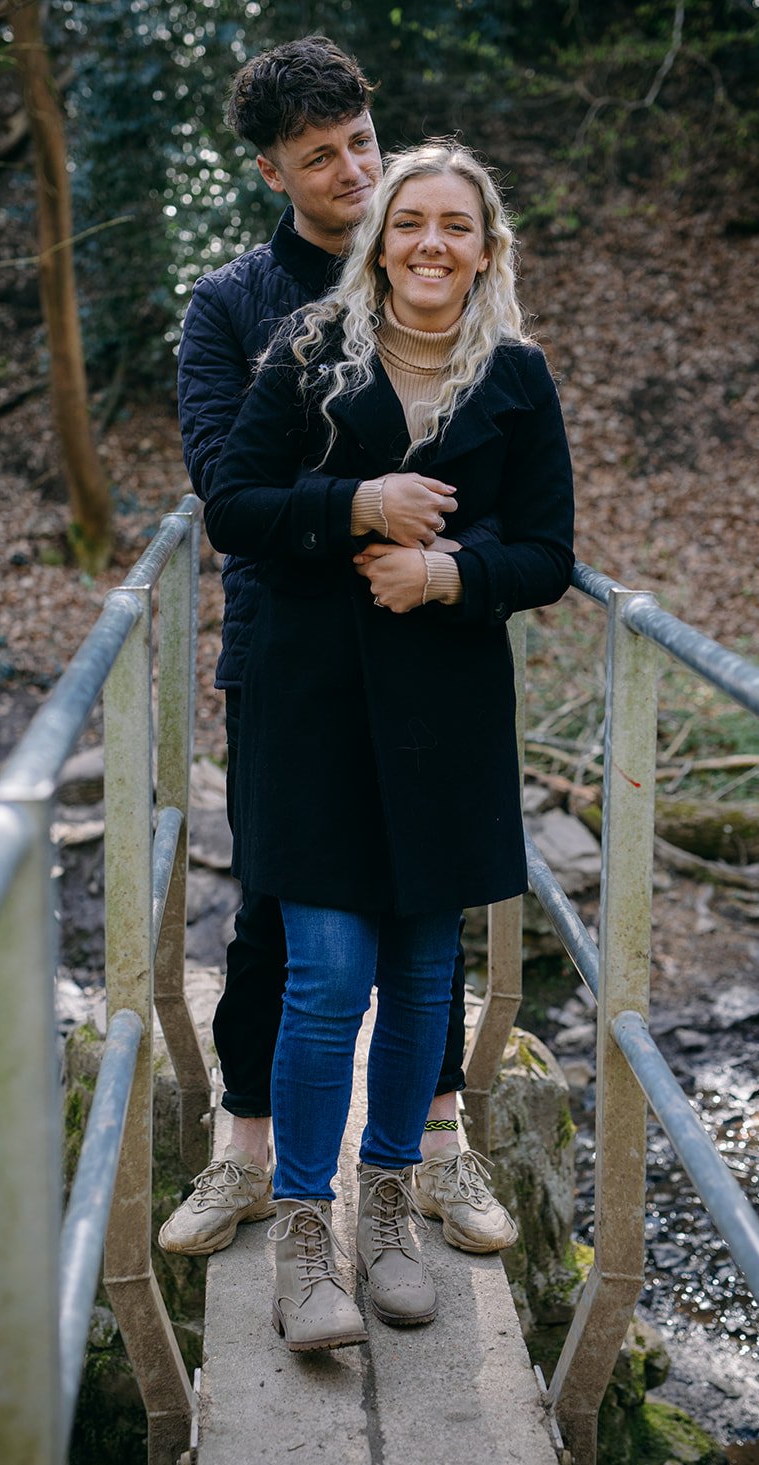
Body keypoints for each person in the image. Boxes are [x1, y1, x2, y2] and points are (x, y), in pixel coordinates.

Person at [203, 141, 575, 1349]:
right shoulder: (306, 353)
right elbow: (233, 508)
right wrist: (356, 504)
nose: (429, 243)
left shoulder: (516, 375)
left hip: (444, 718)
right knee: (322, 979)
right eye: (409, 220)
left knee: (421, 977)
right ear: (379, 238)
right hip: (312, 705)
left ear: (485, 248)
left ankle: (389, 1210)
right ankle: (304, 1231)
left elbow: (548, 554)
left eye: (455, 226)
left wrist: (449, 573)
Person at [165, 37, 519, 1265]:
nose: (353, 172)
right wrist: (359, 504)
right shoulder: (230, 306)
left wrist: (453, 565)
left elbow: (502, 480)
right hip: (290, 652)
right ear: (271, 171)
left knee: (429, 899)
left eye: (361, 141)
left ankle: (435, 1143)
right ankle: (246, 1149)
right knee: (276, 909)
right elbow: (224, 483)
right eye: (319, 157)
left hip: (426, 642)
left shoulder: (440, 269)